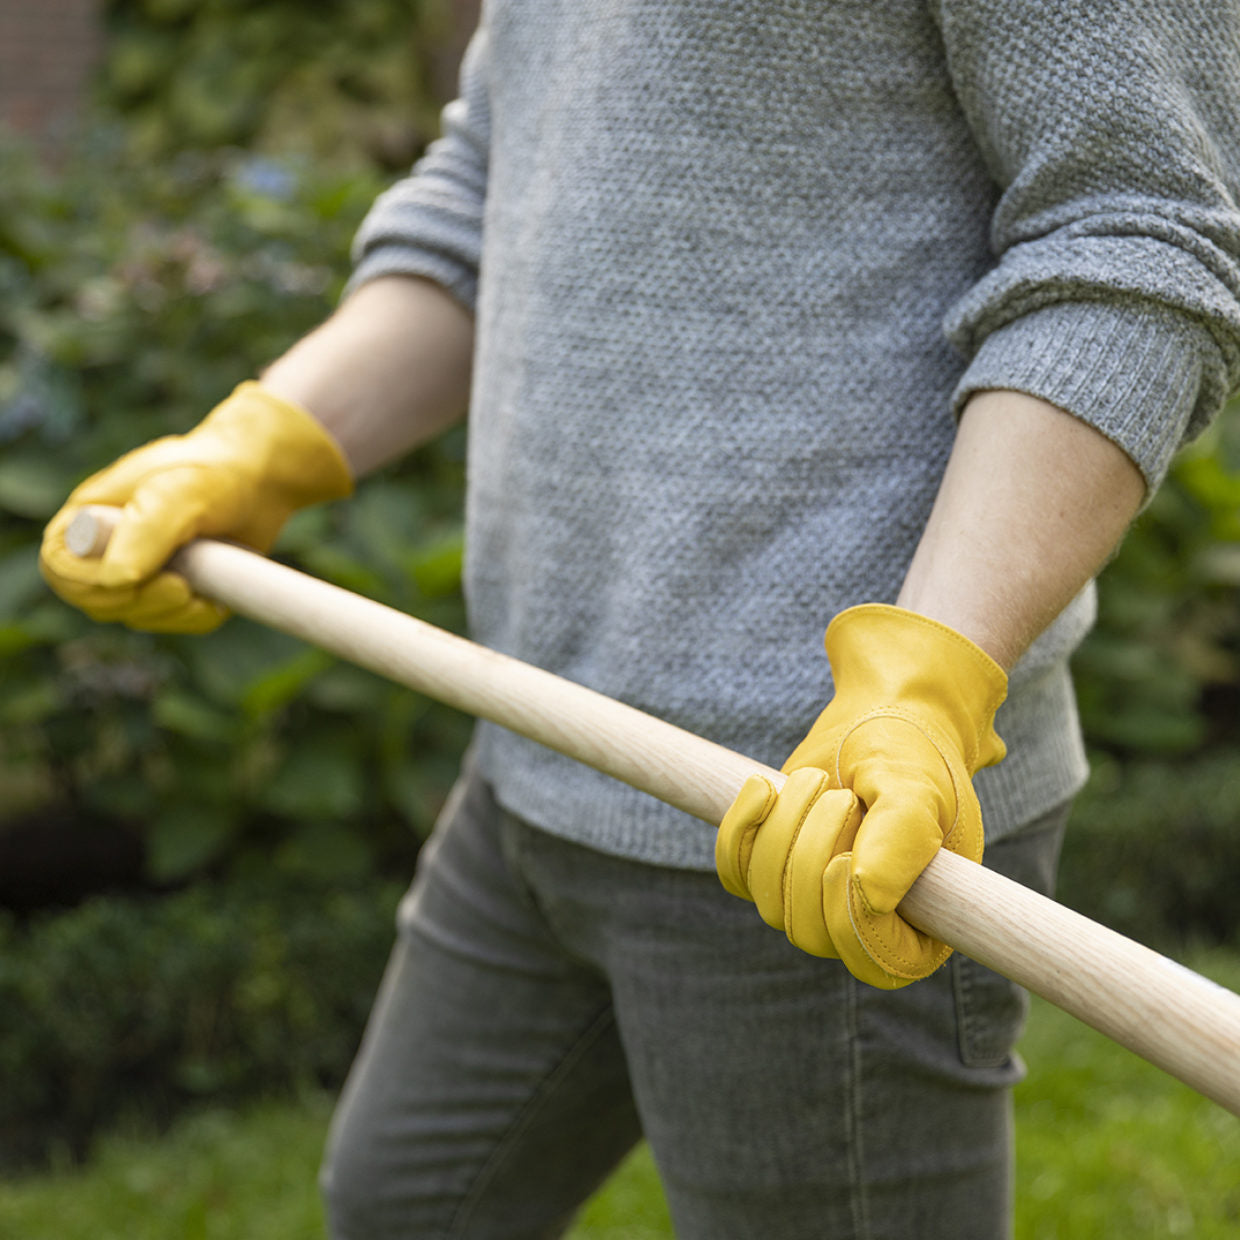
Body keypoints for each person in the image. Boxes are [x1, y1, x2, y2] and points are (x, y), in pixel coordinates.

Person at [40, 3, 1240, 1237]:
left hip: (825, 828)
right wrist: (265, 440)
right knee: (406, 1205)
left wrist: (927, 678)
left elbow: (1138, 244)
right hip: (539, 749)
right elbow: (492, 187)